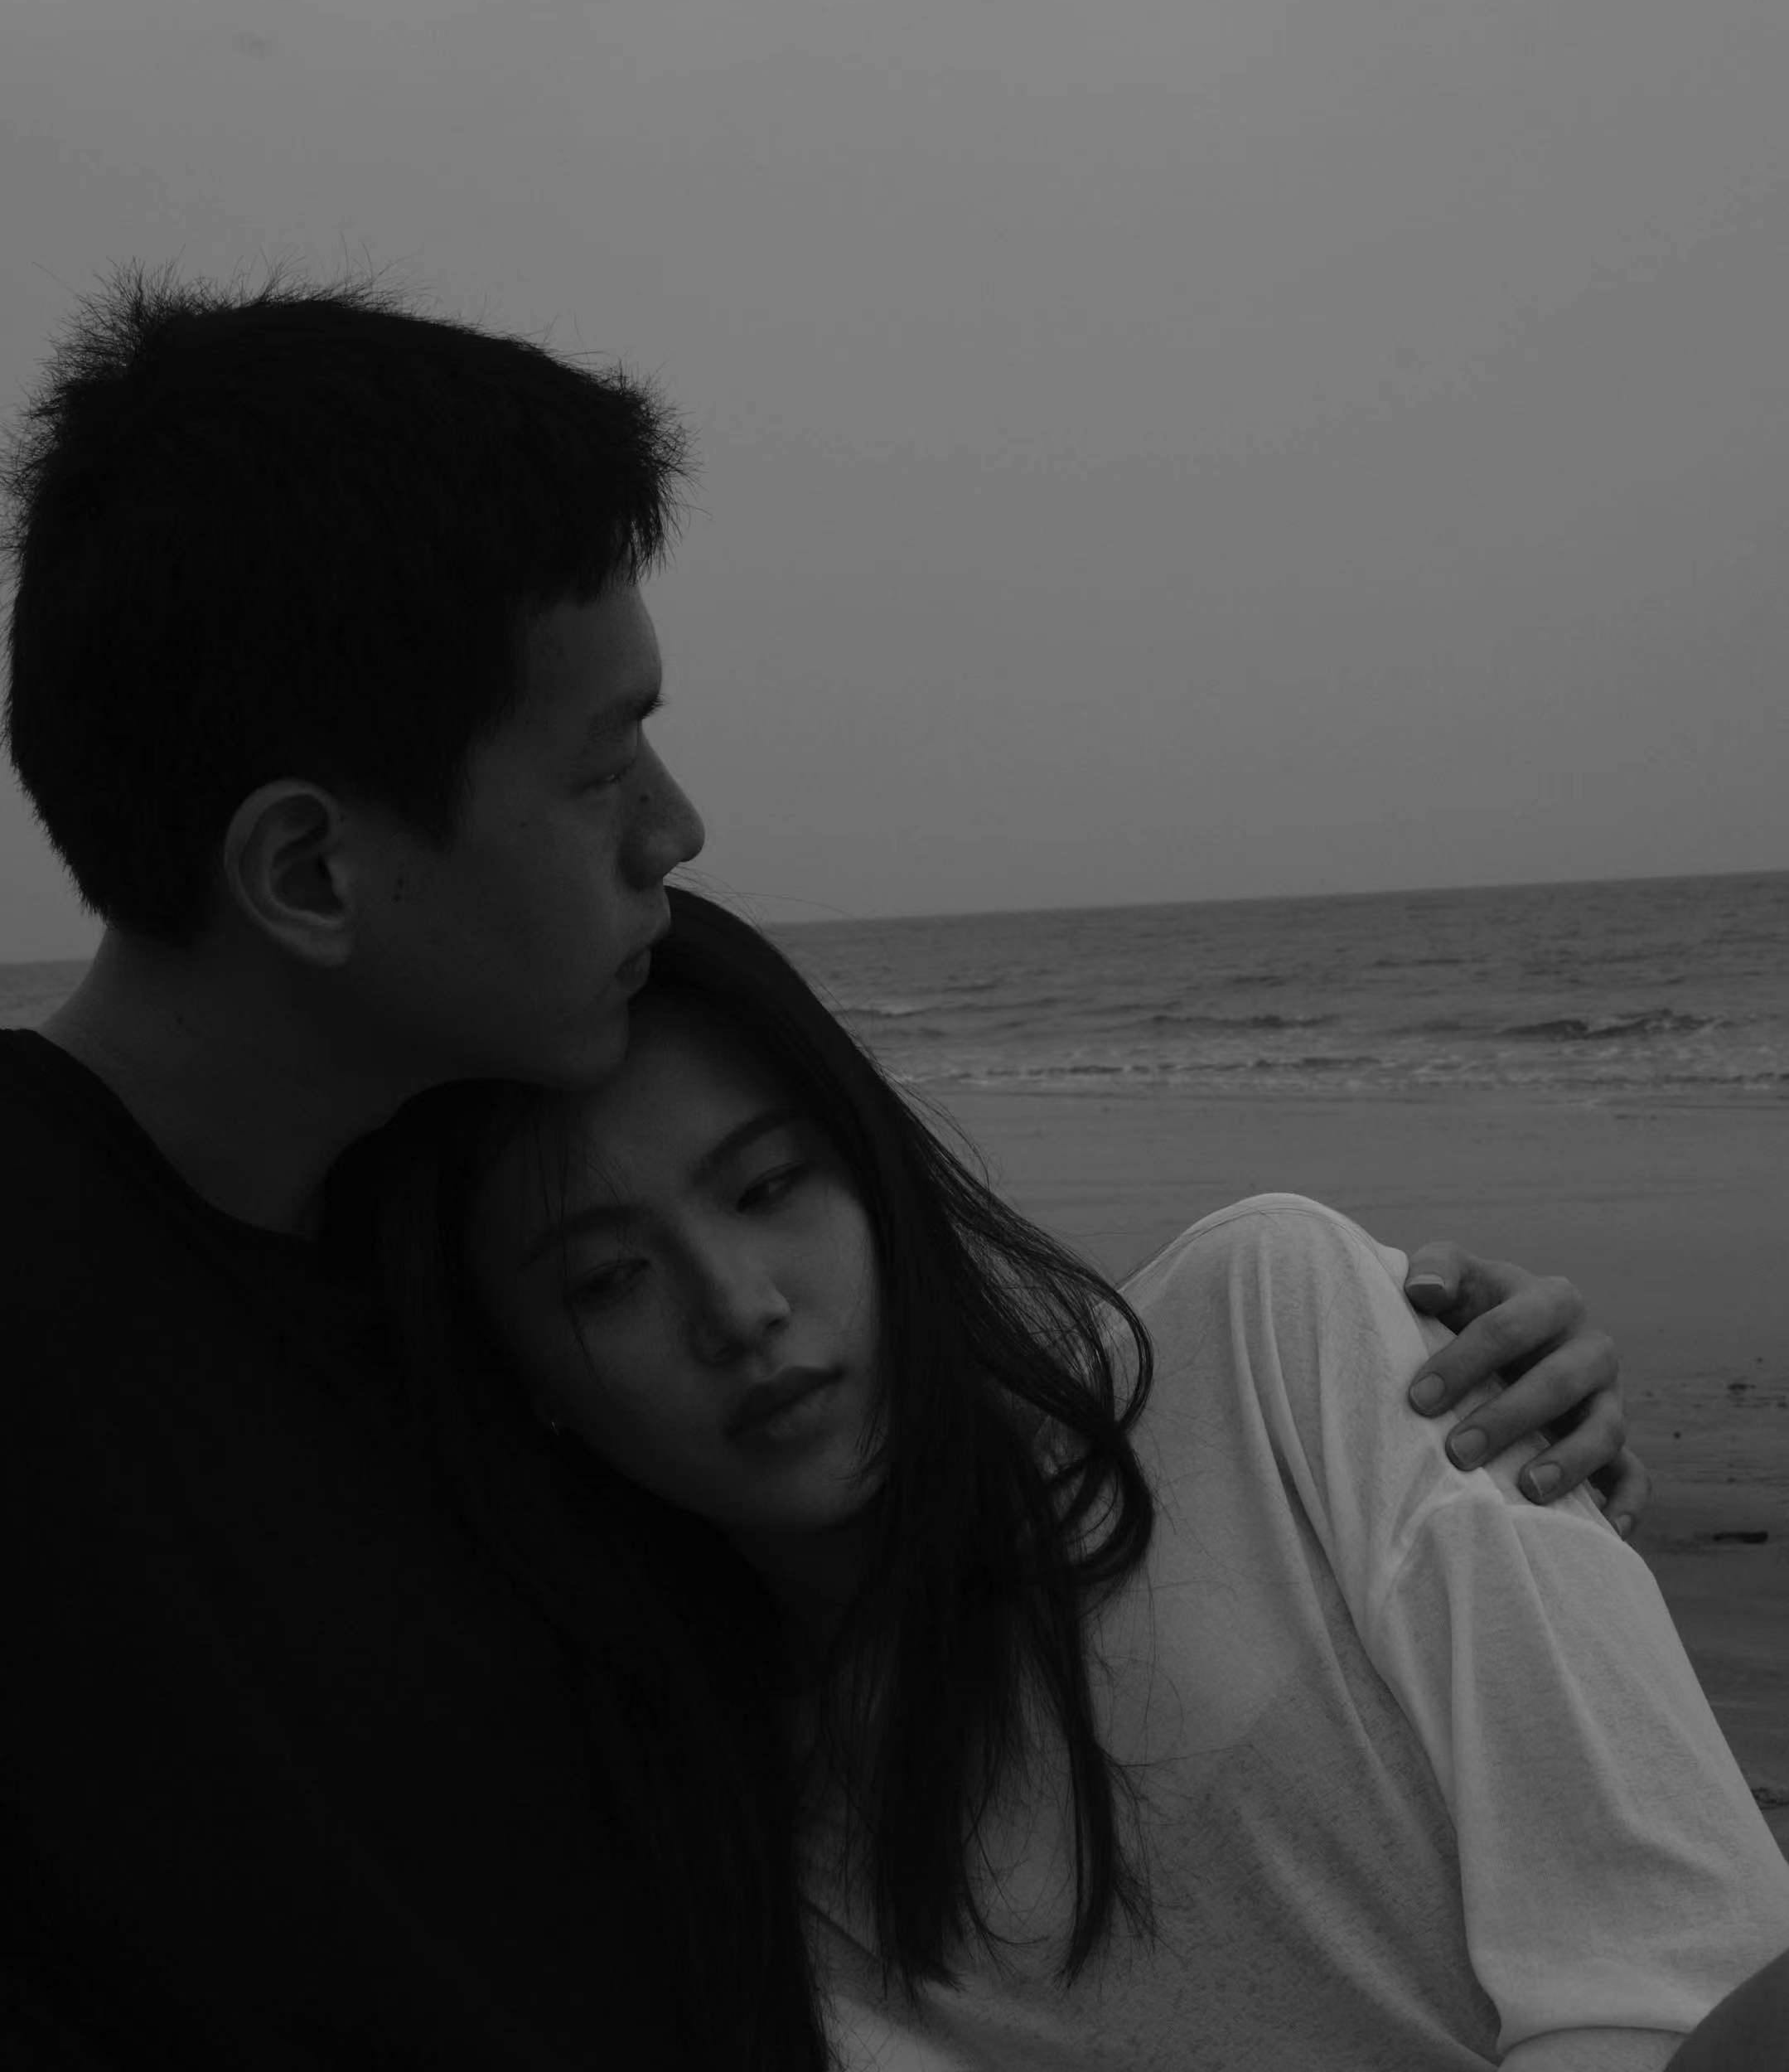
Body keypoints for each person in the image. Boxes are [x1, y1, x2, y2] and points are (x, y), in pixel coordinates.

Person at [1, 264, 1647, 2070]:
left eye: (768, 1184)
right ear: (311, 875)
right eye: (600, 766)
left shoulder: (435, 1290)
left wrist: (1483, 1481)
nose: (677, 828)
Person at [338, 886, 1789, 2071]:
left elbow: (1672, 1956)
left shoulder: (1272, 1340)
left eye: (770, 1186)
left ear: (876, 1174)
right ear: (529, 1385)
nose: (739, 1308)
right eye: (608, 1280)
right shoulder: (718, 1862)